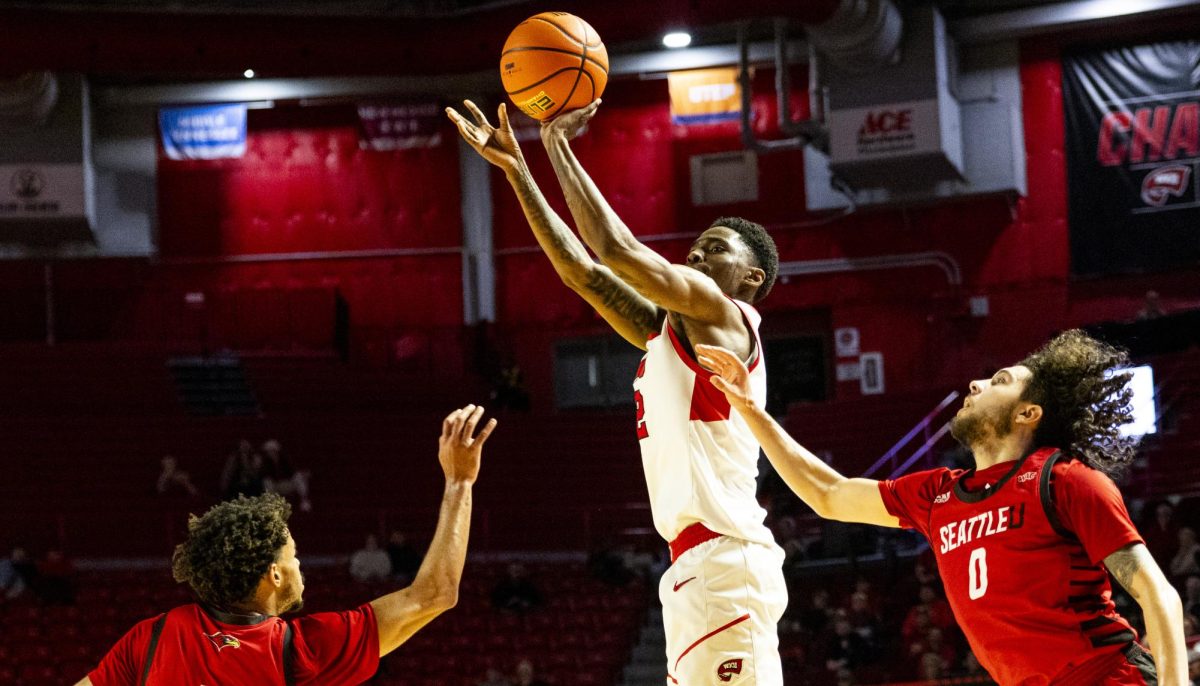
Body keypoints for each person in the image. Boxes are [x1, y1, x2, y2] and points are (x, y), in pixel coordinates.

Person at [447, 99, 785, 685]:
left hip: (729, 561)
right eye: (697, 246)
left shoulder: (728, 315)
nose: (698, 253)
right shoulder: (670, 333)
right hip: (693, 568)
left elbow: (619, 251)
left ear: (751, 278)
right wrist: (517, 171)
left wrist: (556, 145)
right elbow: (583, 272)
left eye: (718, 247)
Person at [697, 330, 1187, 684]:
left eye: (998, 380)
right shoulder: (937, 493)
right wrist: (749, 409)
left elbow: (1157, 594)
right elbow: (828, 493)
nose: (976, 384)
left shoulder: (1066, 481)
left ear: (1028, 413)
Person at [76, 404, 496, 686]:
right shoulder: (299, 650)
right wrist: (459, 483)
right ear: (273, 574)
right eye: (293, 556)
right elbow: (434, 594)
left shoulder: (153, 636)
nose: (301, 566)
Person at [261, 439, 313, 513]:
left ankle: (304, 500)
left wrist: (303, 474)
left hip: (287, 483)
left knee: (298, 477)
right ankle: (272, 504)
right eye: (268, 451)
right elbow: (267, 476)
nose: (270, 453)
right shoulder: (266, 463)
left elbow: (293, 472)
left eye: (272, 451)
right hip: (276, 486)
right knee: (266, 481)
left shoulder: (285, 460)